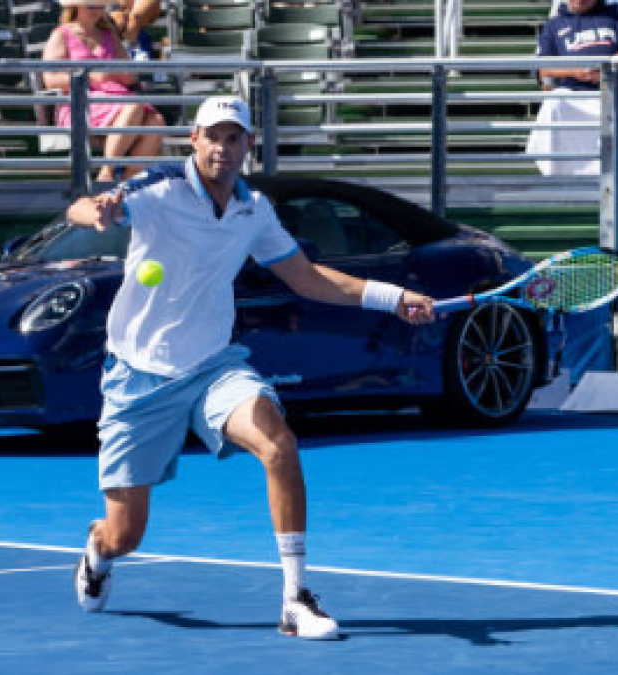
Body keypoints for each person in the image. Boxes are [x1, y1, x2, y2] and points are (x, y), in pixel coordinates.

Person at [66, 95, 436, 639]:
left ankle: (295, 599)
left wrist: (392, 297)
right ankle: (98, 551)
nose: (222, 147)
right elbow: (83, 206)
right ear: (193, 140)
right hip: (138, 378)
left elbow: (307, 279)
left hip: (214, 367)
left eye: (233, 137)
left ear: (247, 146)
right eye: (212, 136)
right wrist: (94, 211)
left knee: (278, 443)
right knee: (126, 535)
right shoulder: (158, 190)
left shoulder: (253, 210)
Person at [42, 0, 166, 182]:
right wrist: (92, 77)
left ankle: (128, 180)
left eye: (100, 5)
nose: (97, 10)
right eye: (91, 5)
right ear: (76, 6)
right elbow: (51, 80)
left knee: (156, 121)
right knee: (133, 106)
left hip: (119, 99)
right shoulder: (62, 35)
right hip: (81, 101)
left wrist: (125, 76)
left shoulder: (109, 35)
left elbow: (130, 73)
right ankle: (106, 173)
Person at [528, 0, 618, 176]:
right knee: (553, 104)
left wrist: (608, 65)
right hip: (575, 94)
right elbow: (543, 68)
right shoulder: (554, 24)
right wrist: (575, 72)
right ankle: (558, 174)